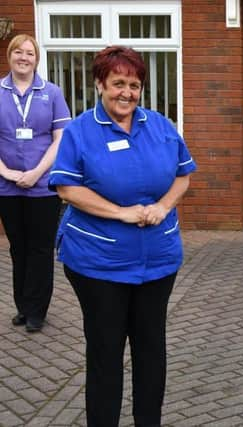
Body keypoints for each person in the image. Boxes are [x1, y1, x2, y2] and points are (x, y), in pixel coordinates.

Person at [48, 46, 196, 426]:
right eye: (117, 83)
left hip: (158, 261)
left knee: (151, 352)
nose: (126, 93)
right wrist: (122, 213)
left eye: (134, 84)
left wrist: (163, 206)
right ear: (100, 83)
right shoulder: (80, 131)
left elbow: (183, 175)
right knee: (105, 353)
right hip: (99, 264)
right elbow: (66, 188)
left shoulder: (160, 126)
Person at [0, 34, 71, 333]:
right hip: (7, 187)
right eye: (18, 51)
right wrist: (5, 171)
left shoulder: (52, 93)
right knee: (18, 248)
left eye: (29, 52)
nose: (23, 57)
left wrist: (36, 172)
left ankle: (37, 311)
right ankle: (22, 306)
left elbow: (61, 138)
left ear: (36, 59)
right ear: (10, 56)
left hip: (42, 186)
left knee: (40, 249)